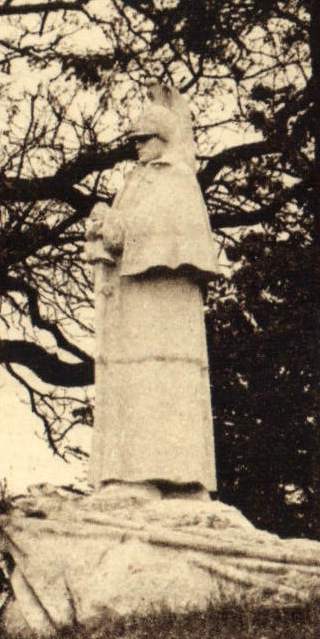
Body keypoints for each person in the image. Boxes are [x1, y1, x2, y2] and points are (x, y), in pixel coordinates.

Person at [84, 98, 221, 494]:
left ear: (163, 138)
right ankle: (134, 474)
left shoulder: (176, 179)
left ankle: (166, 478)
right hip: (136, 303)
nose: (138, 147)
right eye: (136, 140)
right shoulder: (139, 179)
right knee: (138, 380)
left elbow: (157, 230)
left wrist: (113, 225)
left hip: (164, 307)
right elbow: (125, 232)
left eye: (145, 139)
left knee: (161, 381)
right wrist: (105, 226)